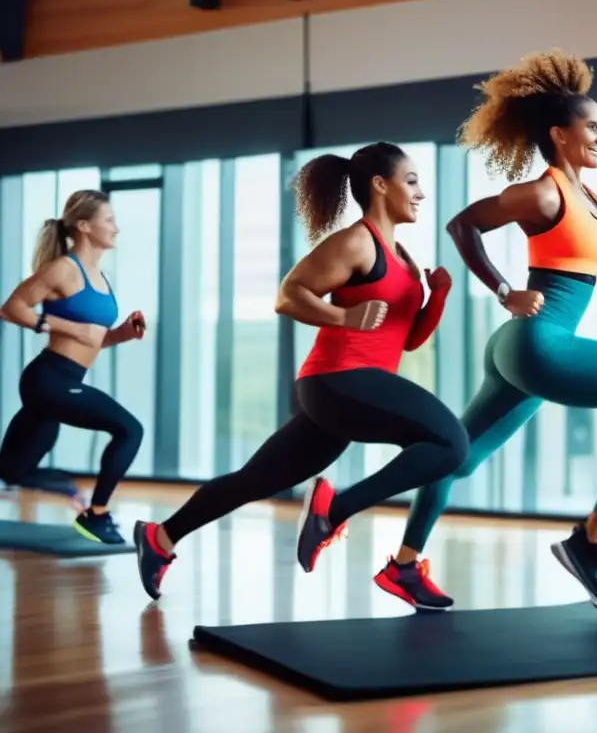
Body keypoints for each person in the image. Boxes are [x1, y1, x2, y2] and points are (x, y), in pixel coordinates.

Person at [362, 50, 597, 621]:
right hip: (538, 342)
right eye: (592, 127)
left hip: (522, 349)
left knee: (454, 458)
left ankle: (404, 562)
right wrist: (505, 287)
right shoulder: (545, 192)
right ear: (560, 135)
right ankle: (596, 539)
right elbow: (463, 224)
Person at [133, 142, 469, 600]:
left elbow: (405, 339)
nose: (420, 193)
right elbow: (289, 294)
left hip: (350, 389)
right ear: (380, 184)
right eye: (411, 181)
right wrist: (345, 318)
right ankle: (336, 513)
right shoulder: (356, 241)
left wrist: (438, 298)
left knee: (258, 479)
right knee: (451, 443)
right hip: (338, 380)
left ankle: (160, 538)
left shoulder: (403, 256)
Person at [0, 190, 147, 545]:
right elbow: (12, 308)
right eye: (109, 220)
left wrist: (122, 334)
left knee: (12, 470)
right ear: (84, 225)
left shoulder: (100, 275)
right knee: (130, 429)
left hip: (65, 378)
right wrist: (65, 327)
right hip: (48, 378)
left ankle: (79, 501)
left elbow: (94, 339)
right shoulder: (64, 268)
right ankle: (96, 515)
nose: (117, 228)